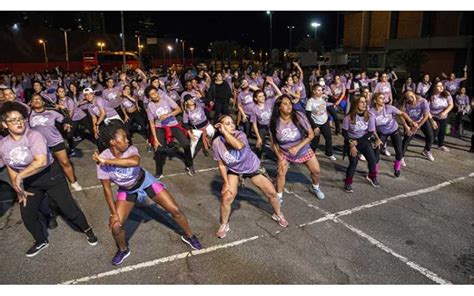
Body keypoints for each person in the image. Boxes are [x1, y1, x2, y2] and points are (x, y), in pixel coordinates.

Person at [93, 120, 202, 266]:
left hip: (145, 181)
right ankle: (123, 249)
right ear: (113, 141)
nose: (127, 140)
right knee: (116, 226)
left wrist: (107, 161)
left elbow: (134, 162)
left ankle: (189, 235)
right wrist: (113, 215)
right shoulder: (102, 159)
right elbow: (106, 189)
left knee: (175, 210)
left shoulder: (128, 150)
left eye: (127, 137)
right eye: (123, 138)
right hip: (126, 190)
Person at [0, 102, 97, 257]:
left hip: (51, 176)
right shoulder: (3, 144)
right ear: (4, 124)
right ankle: (40, 240)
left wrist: (20, 176)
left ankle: (87, 229)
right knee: (27, 214)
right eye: (13, 120)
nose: (18, 122)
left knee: (69, 209)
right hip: (31, 183)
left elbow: (41, 162)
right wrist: (18, 188)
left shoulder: (34, 136)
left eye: (20, 119)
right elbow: (11, 166)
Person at [212, 115, 288, 239]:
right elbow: (220, 165)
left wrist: (225, 131)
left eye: (232, 123)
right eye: (227, 123)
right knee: (226, 197)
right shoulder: (217, 143)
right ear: (220, 127)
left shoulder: (240, 135)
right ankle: (224, 224)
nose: (232, 125)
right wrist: (226, 183)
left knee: (271, 193)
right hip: (234, 170)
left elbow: (238, 146)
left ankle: (278, 213)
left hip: (252, 168)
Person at [270, 95, 326, 202]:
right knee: (280, 173)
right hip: (285, 153)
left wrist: (297, 147)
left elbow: (311, 135)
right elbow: (274, 143)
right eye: (285, 104)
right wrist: (279, 157)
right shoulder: (274, 122)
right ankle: (279, 196)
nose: (289, 106)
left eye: (290, 103)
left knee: (316, 171)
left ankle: (315, 188)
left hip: (303, 149)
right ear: (279, 107)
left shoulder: (299, 116)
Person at [29, 94, 83, 191]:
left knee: (65, 162)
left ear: (43, 102)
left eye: (39, 99)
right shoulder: (29, 115)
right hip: (40, 145)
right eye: (34, 99)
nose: (36, 100)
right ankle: (48, 185)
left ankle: (73, 182)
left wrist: (67, 123)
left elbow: (65, 118)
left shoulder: (51, 113)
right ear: (31, 103)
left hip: (55, 141)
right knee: (44, 166)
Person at [145, 85, 195, 178]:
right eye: (152, 94)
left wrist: (168, 115)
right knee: (158, 150)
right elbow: (152, 123)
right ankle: (159, 172)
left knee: (186, 144)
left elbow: (178, 109)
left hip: (173, 124)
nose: (155, 95)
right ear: (149, 97)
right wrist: (155, 139)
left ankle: (189, 165)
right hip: (160, 127)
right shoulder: (150, 106)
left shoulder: (165, 98)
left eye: (155, 92)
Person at [369, 93, 417, 177]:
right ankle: (374, 171)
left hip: (394, 130)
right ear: (375, 101)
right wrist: (377, 139)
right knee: (376, 153)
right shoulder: (371, 112)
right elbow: (372, 128)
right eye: (380, 98)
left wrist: (410, 121)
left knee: (399, 152)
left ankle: (397, 167)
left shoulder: (389, 108)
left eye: (384, 98)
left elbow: (402, 113)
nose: (383, 99)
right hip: (382, 133)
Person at [342, 96, 380, 193]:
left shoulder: (370, 116)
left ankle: (372, 176)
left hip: (363, 141)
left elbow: (370, 132)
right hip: (351, 141)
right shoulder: (348, 117)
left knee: (373, 160)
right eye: (361, 102)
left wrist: (357, 142)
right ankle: (348, 182)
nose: (364, 104)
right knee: (353, 163)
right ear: (356, 104)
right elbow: (344, 133)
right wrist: (352, 144)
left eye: (365, 102)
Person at [400, 91, 437, 163]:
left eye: (412, 95)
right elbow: (402, 116)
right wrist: (407, 126)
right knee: (407, 138)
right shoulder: (404, 104)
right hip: (410, 121)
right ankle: (400, 157)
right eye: (409, 97)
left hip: (422, 120)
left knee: (430, 136)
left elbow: (426, 116)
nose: (412, 98)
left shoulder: (423, 101)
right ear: (406, 99)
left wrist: (417, 127)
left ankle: (427, 150)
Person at [55, 86, 92, 156]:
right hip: (73, 119)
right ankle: (72, 150)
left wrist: (68, 123)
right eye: (60, 91)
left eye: (63, 91)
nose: (62, 92)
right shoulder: (59, 101)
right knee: (69, 135)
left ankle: (101, 143)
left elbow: (71, 112)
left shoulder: (69, 100)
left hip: (81, 116)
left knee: (91, 130)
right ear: (57, 93)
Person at [251, 77, 282, 159]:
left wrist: (272, 83)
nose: (263, 98)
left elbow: (280, 94)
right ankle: (257, 160)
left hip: (271, 125)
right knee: (260, 144)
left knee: (275, 142)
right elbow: (254, 124)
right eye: (260, 97)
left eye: (263, 96)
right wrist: (258, 137)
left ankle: (280, 158)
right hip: (262, 127)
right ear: (255, 98)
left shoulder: (269, 102)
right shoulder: (254, 109)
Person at [305, 85, 337, 161]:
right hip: (316, 123)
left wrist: (328, 94)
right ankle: (311, 155)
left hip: (324, 121)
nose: (320, 92)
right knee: (315, 140)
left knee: (328, 138)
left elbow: (333, 100)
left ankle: (329, 153)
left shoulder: (323, 98)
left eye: (321, 90)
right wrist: (315, 126)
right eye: (318, 90)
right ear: (314, 91)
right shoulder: (310, 101)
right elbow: (308, 116)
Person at [429, 80, 454, 152]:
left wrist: (444, 112)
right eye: (439, 86)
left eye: (442, 86)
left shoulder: (446, 94)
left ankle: (440, 145)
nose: (441, 87)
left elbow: (451, 104)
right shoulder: (430, 96)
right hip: (433, 116)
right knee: (434, 132)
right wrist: (432, 120)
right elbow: (426, 110)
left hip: (443, 116)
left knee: (442, 131)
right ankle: (428, 148)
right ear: (434, 87)